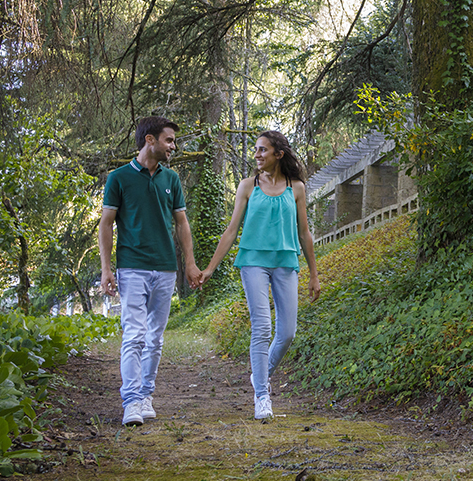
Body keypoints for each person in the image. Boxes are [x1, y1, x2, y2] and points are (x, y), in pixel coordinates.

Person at [201, 130, 320, 420]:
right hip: (252, 261)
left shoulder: (297, 188)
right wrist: (210, 269)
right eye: (256, 149)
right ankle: (262, 396)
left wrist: (314, 274)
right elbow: (231, 231)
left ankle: (260, 374)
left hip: (286, 261)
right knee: (262, 327)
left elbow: (305, 233)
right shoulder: (247, 186)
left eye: (263, 150)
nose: (257, 155)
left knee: (288, 332)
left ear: (278, 154)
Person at [99, 116, 203, 426]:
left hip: (165, 269)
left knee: (155, 338)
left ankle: (145, 395)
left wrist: (189, 262)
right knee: (134, 334)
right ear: (150, 140)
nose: (174, 146)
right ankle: (130, 400)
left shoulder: (171, 179)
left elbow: (182, 223)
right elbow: (106, 224)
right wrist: (107, 269)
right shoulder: (118, 178)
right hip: (132, 267)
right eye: (169, 140)